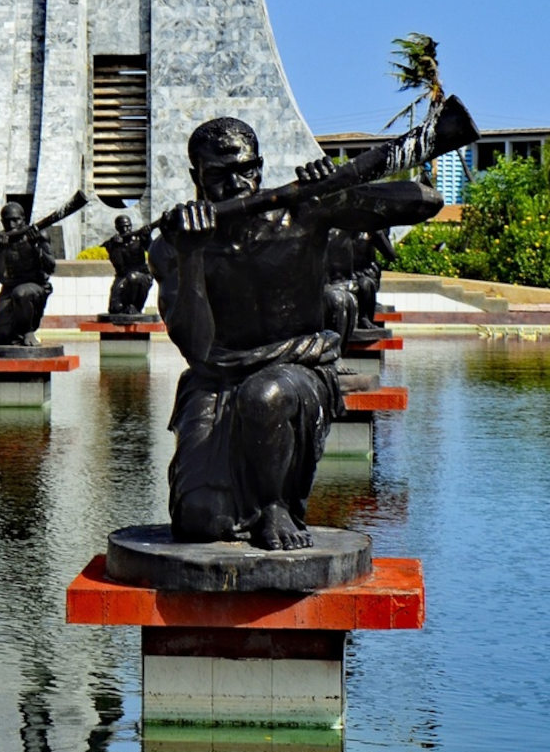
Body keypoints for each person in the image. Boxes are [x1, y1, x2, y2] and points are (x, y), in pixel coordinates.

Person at [150, 117, 444, 551]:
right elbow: (195, 348)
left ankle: (275, 506)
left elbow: (425, 200)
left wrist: (337, 192)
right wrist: (192, 257)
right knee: (199, 521)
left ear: (261, 166)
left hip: (296, 366)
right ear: (197, 177)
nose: (236, 185)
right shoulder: (172, 246)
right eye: (218, 175)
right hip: (217, 376)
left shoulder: (303, 212)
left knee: (264, 394)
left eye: (245, 170)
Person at [0, 202, 56, 346]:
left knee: (21, 293)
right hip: (9, 290)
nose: (11, 225)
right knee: (2, 337)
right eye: (7, 221)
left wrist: (37, 246)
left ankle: (28, 331)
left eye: (16, 220)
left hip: (35, 287)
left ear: (24, 219)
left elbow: (50, 267)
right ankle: (16, 336)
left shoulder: (39, 235)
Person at [101, 214, 155, 315]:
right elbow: (118, 265)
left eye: (128, 226)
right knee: (115, 309)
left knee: (133, 277)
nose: (126, 229)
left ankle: (135, 307)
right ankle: (127, 307)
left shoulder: (139, 239)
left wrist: (147, 237)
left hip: (142, 275)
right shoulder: (113, 243)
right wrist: (116, 248)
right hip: (123, 276)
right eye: (122, 227)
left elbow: (153, 250)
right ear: (117, 228)